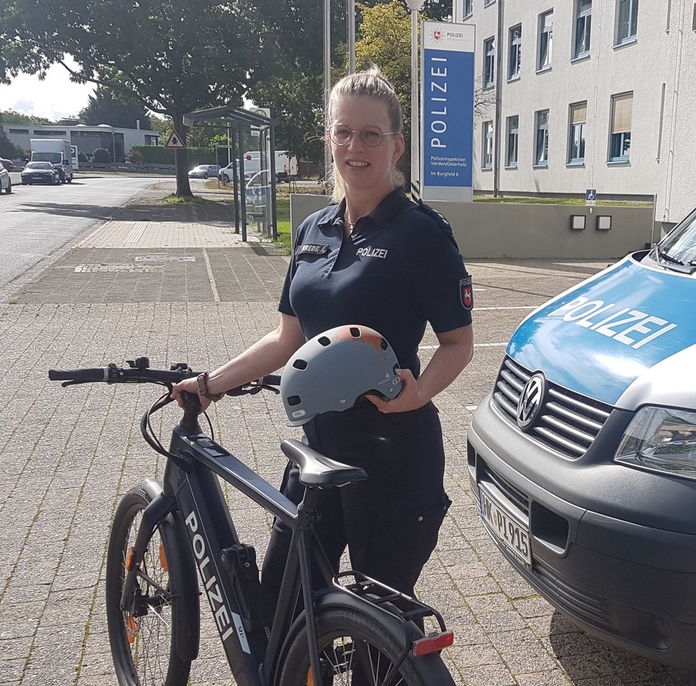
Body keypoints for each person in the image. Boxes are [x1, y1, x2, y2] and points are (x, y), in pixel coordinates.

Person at [172, 67, 474, 601]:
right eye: (343, 132)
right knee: (284, 605)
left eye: (371, 134)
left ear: (396, 146)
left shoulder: (421, 234)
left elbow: (458, 344)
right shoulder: (314, 229)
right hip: (317, 451)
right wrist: (210, 383)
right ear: (329, 138)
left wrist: (419, 393)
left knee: (380, 628)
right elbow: (286, 338)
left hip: (393, 457)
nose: (355, 147)